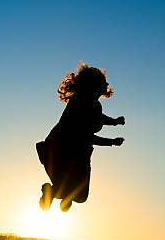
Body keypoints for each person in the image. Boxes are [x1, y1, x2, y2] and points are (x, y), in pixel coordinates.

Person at [36, 62, 125, 212]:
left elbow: (99, 117)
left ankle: (64, 197)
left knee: (80, 195)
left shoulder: (94, 105)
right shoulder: (79, 104)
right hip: (64, 153)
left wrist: (115, 122)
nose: (107, 84)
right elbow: (86, 137)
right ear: (93, 86)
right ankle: (57, 194)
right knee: (78, 193)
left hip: (76, 153)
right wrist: (112, 142)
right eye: (104, 82)